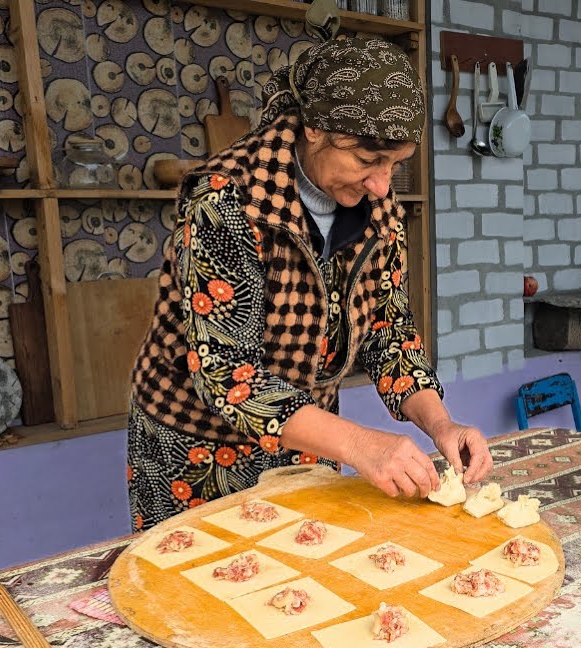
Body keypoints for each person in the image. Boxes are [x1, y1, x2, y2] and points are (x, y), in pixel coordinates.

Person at [126, 37, 493, 531]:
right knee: (211, 574)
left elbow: (387, 330)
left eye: (395, 164)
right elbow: (229, 374)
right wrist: (360, 444)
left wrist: (441, 424)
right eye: (367, 160)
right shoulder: (226, 202)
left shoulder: (379, 209)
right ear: (315, 128)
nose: (383, 185)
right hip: (199, 452)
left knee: (309, 567)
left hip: (309, 441)